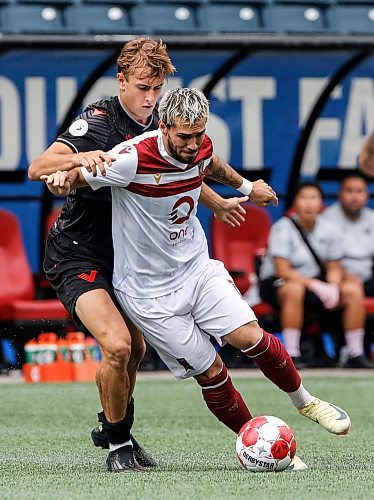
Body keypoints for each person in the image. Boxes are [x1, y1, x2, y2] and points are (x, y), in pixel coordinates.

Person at [41, 88, 352, 472]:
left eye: (198, 134)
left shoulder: (200, 145)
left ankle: (305, 401)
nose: (192, 144)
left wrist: (245, 188)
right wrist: (62, 178)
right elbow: (77, 175)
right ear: (164, 126)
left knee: (250, 336)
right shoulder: (131, 157)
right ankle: (258, 444)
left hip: (196, 270)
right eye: (184, 136)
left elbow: (212, 164)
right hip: (148, 294)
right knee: (211, 371)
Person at [29, 40, 276, 473]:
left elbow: (173, 171)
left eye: (157, 89)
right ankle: (117, 445)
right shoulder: (100, 121)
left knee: (137, 347)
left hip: (127, 258)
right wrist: (76, 161)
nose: (150, 98)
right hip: (79, 252)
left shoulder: (162, 123)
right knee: (119, 345)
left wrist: (216, 201)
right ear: (121, 81)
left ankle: (115, 426)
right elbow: (40, 167)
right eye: (142, 87)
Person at [259, 181, 370, 369]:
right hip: (279, 284)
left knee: (352, 289)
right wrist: (316, 285)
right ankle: (292, 354)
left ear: (321, 203)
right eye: (304, 198)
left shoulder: (329, 228)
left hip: (314, 285)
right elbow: (282, 270)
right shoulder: (282, 228)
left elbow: (334, 267)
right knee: (294, 289)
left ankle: (355, 353)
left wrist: (333, 286)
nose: (309, 204)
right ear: (295, 202)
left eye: (314, 198)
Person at [322, 174, 374, 297]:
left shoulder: (372, 218)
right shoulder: (327, 219)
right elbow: (321, 259)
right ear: (339, 195)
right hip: (337, 277)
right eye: (349, 191)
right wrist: (344, 275)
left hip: (368, 277)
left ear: (367, 196)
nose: (355, 197)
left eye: (359, 191)